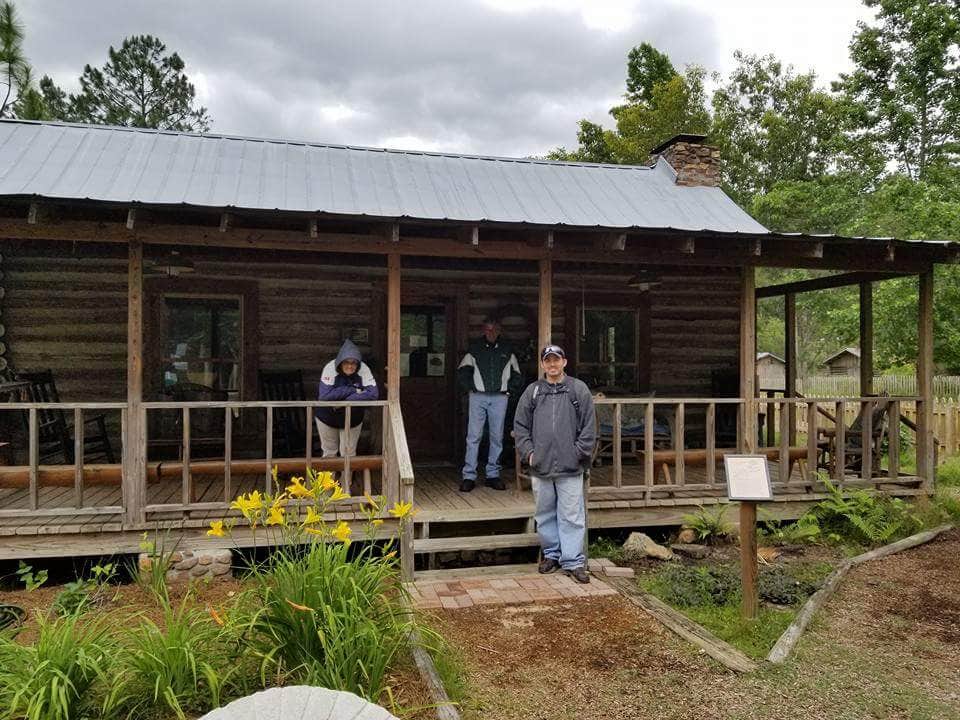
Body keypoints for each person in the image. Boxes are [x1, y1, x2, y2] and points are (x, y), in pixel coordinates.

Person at [513, 344, 595, 583]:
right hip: (541, 465)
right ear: (542, 365)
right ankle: (551, 555)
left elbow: (589, 427)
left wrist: (579, 452)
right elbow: (520, 426)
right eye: (547, 360)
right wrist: (529, 453)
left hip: (571, 466)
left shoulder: (578, 390)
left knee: (572, 514)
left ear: (564, 362)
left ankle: (573, 561)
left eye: (556, 360)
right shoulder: (533, 392)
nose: (552, 364)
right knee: (545, 514)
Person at [457, 317, 523, 492]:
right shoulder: (475, 349)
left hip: (500, 398)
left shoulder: (507, 350)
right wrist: (470, 388)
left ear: (499, 331)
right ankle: (469, 476)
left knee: (497, 436)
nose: (490, 332)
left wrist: (509, 391)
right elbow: (462, 371)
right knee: (474, 436)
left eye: (493, 329)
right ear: (483, 330)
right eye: (487, 329)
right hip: (478, 397)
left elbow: (517, 374)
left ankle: (493, 474)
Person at [316, 339, 379, 488]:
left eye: (354, 363)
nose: (350, 366)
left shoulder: (364, 369)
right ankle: (327, 491)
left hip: (353, 418)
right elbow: (324, 396)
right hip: (327, 418)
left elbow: (373, 394)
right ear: (340, 362)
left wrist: (342, 399)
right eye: (346, 362)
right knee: (329, 453)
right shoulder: (330, 368)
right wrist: (352, 390)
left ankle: (345, 490)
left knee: (349, 454)